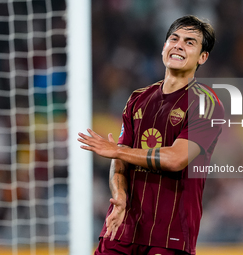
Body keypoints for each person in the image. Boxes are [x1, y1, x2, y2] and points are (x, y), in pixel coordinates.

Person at [78, 15, 224, 255]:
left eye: (189, 42)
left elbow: (176, 159)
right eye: (173, 39)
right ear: (164, 47)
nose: (178, 45)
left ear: (203, 57)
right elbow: (120, 162)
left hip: (169, 234)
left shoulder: (206, 103)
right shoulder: (138, 98)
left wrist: (118, 150)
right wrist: (120, 196)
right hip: (122, 227)